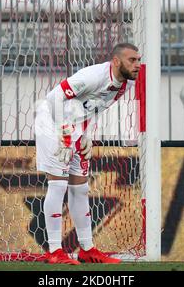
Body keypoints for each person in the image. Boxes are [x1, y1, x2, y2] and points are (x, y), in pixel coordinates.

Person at [35, 43, 141, 264]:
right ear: (116, 61)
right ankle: (54, 251)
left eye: (138, 60)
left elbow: (93, 106)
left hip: (76, 127)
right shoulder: (93, 76)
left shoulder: (127, 84)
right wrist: (64, 132)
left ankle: (87, 249)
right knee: (58, 185)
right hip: (52, 123)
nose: (137, 65)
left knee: (80, 188)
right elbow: (54, 97)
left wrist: (85, 134)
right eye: (132, 60)